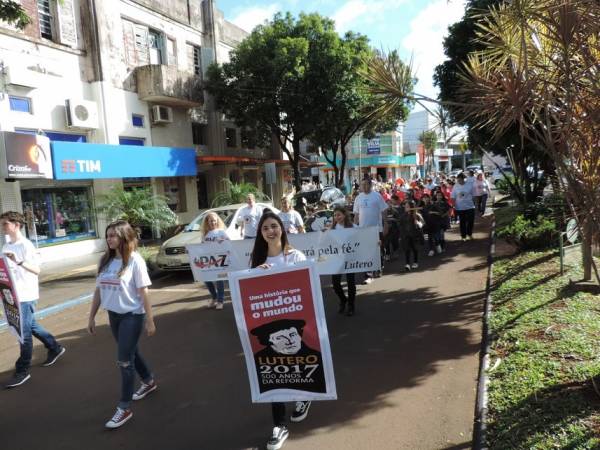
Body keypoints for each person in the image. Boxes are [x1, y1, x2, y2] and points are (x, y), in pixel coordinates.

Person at [249, 211, 311, 450]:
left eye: (274, 226)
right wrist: (256, 274)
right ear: (261, 233)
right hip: (271, 328)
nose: (270, 231)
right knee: (273, 372)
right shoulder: (257, 261)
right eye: (265, 228)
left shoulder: (296, 256)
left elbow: (306, 288)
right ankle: (279, 425)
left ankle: (303, 397)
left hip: (295, 324)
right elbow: (249, 292)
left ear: (282, 229)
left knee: (299, 366)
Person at [87, 220, 156, 429]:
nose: (109, 239)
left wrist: (150, 320)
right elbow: (99, 290)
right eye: (107, 235)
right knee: (131, 351)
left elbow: (144, 292)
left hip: (132, 316)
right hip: (114, 317)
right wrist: (91, 317)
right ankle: (148, 381)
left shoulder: (135, 261)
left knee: (124, 360)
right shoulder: (105, 261)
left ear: (123, 237)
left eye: (113, 235)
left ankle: (124, 407)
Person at [1, 211, 66, 389]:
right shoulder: (6, 246)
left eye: (5, 224)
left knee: (24, 332)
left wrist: (19, 261)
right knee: (31, 326)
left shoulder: (26, 245)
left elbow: (37, 270)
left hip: (26, 295)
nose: (3, 227)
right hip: (12, 295)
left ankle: (22, 370)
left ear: (16, 225)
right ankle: (55, 347)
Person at [353, 179, 388, 283]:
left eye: (364, 184)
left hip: (376, 228)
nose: (362, 186)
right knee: (366, 251)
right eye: (361, 184)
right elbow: (356, 214)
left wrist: (386, 223)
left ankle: (378, 267)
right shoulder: (358, 198)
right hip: (363, 230)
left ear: (370, 185)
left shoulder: (377, 196)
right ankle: (368, 274)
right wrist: (354, 227)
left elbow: (384, 210)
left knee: (378, 249)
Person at [328, 207, 357, 316]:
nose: (337, 217)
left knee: (350, 283)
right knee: (335, 283)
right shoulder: (332, 229)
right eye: (335, 215)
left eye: (339, 215)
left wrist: (376, 242)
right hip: (337, 259)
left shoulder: (353, 227)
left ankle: (351, 305)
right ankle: (343, 300)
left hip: (350, 258)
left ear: (344, 215)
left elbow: (364, 237)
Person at [201, 212, 229, 310]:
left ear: (217, 221)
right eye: (210, 221)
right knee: (207, 279)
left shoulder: (221, 232)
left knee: (219, 280)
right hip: (209, 260)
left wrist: (223, 242)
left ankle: (220, 301)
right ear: (207, 222)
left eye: (214, 220)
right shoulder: (205, 234)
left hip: (220, 259)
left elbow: (229, 244)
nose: (212, 222)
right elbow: (201, 247)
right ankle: (214, 297)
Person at [398, 201, 425, 271]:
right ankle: (407, 264)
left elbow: (423, 223)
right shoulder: (403, 215)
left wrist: (418, 223)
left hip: (415, 234)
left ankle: (415, 262)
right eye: (405, 206)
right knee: (407, 249)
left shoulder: (417, 215)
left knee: (415, 249)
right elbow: (400, 224)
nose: (405, 207)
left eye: (407, 206)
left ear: (411, 207)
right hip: (406, 235)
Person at [451, 173, 477, 241]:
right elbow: (453, 196)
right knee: (462, 222)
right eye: (458, 180)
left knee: (471, 221)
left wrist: (476, 205)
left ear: (463, 179)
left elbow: (474, 195)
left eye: (460, 180)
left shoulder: (470, 185)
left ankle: (469, 233)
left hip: (470, 206)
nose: (459, 181)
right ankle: (463, 236)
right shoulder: (455, 186)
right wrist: (453, 205)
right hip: (460, 207)